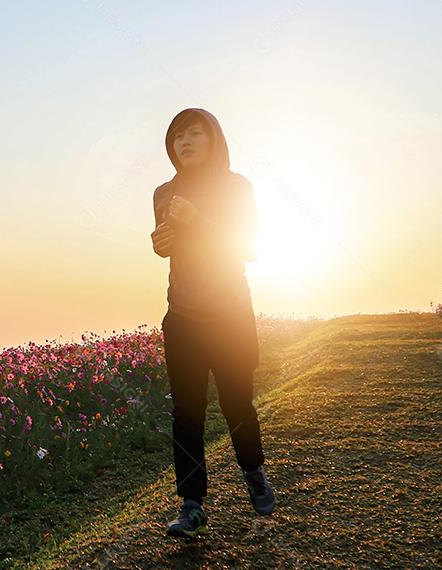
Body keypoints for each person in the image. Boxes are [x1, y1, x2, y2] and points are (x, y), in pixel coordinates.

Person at [151, 108, 276, 540]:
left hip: (230, 315)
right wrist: (161, 241)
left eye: (194, 134)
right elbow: (164, 245)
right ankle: (192, 505)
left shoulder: (236, 187)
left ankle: (254, 474)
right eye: (177, 137)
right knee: (186, 413)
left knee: (236, 403)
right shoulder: (164, 191)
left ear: (214, 139)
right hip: (182, 316)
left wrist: (197, 220)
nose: (184, 143)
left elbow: (250, 248)